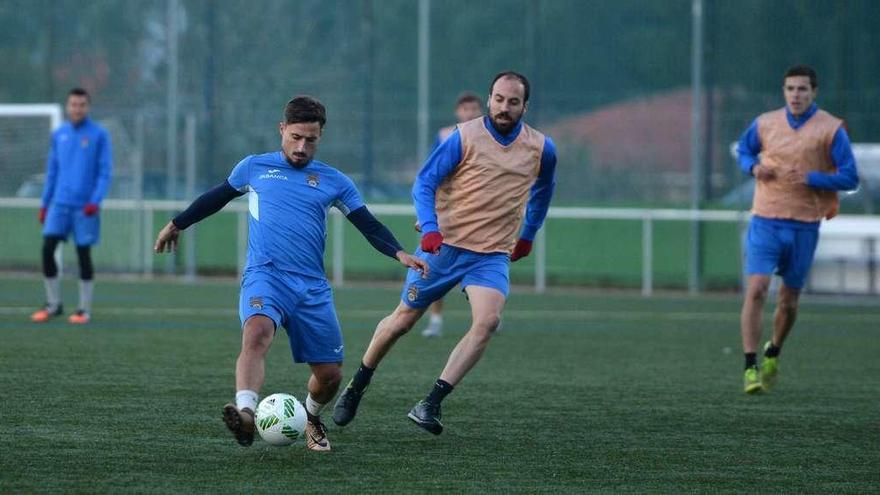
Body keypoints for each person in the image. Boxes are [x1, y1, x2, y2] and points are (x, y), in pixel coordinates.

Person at [153, 96, 428, 451]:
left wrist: (400, 253)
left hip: (311, 288)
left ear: (320, 136)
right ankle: (247, 413)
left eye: (310, 140)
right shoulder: (254, 167)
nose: (301, 147)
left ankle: (312, 417)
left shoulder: (335, 181)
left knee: (330, 375)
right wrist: (177, 224)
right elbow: (216, 197)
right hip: (265, 275)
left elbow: (367, 224)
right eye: (295, 137)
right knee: (256, 334)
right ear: (282, 130)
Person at [333, 71, 557, 434]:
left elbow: (545, 190)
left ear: (524, 106)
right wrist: (431, 225)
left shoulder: (542, 148)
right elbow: (424, 181)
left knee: (487, 323)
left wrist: (528, 234)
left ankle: (430, 403)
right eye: (499, 99)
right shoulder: (463, 136)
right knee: (403, 322)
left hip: (490, 256)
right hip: (445, 248)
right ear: (489, 99)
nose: (504, 107)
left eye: (513, 102)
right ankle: (356, 386)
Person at [736, 65, 858, 394]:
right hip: (766, 219)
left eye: (802, 89)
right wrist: (754, 167)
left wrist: (813, 178)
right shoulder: (765, 123)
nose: (796, 95)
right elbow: (743, 150)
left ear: (814, 92)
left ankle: (773, 349)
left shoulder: (830, 130)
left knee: (788, 302)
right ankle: (750, 367)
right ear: (783, 91)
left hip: (804, 224)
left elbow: (850, 177)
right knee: (758, 288)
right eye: (790, 89)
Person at [30, 88, 112, 325]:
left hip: (84, 207)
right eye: (73, 104)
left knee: (82, 254)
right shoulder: (59, 134)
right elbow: (52, 171)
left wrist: (94, 201)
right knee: (47, 249)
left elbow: (105, 172)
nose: (77, 108)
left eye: (82, 104)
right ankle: (53, 304)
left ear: (88, 107)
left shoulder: (99, 135)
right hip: (59, 203)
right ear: (67, 107)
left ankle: (84, 310)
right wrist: (45, 204)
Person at [420, 91, 483, 338]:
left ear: (481, 111)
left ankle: (484, 318)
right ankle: (435, 320)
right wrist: (428, 214)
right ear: (458, 112)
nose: (469, 113)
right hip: (447, 212)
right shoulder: (445, 136)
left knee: (480, 266)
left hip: (478, 214)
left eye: (474, 109)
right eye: (465, 109)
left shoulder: (489, 137)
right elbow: (429, 176)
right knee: (436, 268)